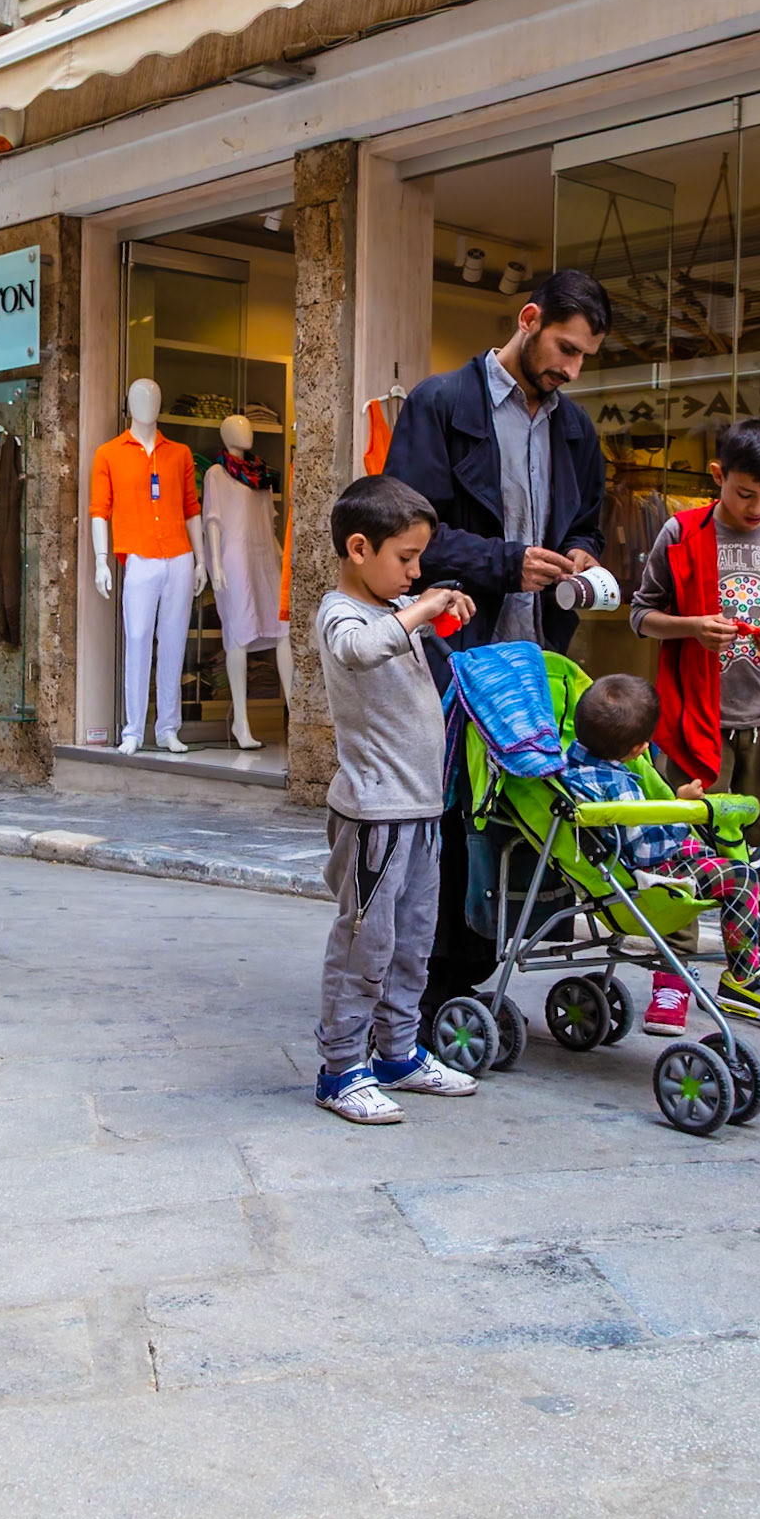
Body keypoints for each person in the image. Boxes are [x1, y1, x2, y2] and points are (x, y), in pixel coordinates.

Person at [382, 268, 613, 1039]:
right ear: (527, 319)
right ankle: (420, 991)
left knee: (510, 818)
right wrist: (503, 561)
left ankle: (475, 974)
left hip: (536, 651)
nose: (570, 369)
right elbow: (406, 533)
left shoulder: (575, 428)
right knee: (445, 816)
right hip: (454, 648)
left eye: (583, 358)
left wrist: (579, 557)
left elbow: (587, 520)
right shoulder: (438, 404)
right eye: (563, 349)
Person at [631, 416, 760, 1033]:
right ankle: (673, 979)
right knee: (683, 858)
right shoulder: (681, 532)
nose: (756, 507)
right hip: (695, 727)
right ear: (719, 478)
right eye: (744, 494)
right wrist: (690, 625)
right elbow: (641, 615)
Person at [314, 475, 479, 1124]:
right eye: (404, 558)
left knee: (412, 942)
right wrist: (419, 609)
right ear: (358, 548)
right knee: (365, 944)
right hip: (374, 815)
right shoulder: (342, 615)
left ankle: (398, 1054)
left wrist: (427, 610)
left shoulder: (390, 610)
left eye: (418, 559)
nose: (414, 571)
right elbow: (359, 651)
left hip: (420, 809)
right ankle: (340, 1069)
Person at [562, 674, 760, 1024]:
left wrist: (674, 806)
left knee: (709, 856)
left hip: (632, 866)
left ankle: (747, 870)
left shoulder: (574, 766)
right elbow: (648, 848)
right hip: (652, 876)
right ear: (639, 749)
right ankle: (741, 980)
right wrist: (679, 814)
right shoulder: (617, 788)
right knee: (738, 878)